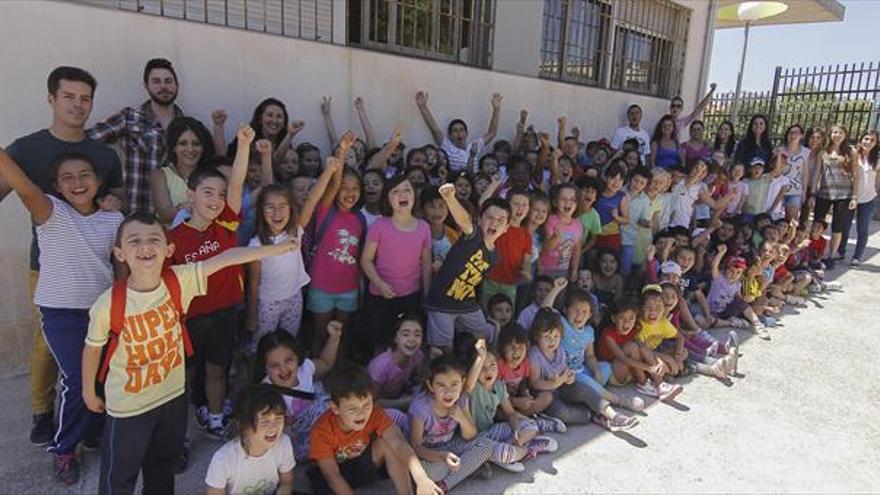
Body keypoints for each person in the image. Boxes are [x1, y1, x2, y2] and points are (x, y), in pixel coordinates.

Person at [81, 213, 299, 495]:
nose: (145, 246)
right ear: (120, 253)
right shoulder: (108, 304)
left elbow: (228, 257)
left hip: (172, 398)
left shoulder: (179, 280)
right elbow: (93, 347)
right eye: (134, 241)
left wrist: (275, 249)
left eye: (154, 239)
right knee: (118, 480)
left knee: (162, 472)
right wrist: (88, 390)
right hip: (128, 408)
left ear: (169, 249)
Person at [0, 66, 125, 448]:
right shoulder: (26, 148)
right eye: (69, 96)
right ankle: (42, 412)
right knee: (48, 346)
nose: (77, 105)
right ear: (52, 99)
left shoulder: (103, 154)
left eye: (84, 98)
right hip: (49, 264)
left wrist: (113, 201)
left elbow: (115, 199)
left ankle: (87, 419)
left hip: (96, 269)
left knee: (93, 352)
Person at [168, 125, 254, 438]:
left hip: (225, 313)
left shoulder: (226, 226)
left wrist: (244, 146)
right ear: (190, 196)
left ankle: (216, 418)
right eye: (207, 192)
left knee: (217, 370)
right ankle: (178, 437)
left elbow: (237, 183)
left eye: (220, 194)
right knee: (186, 376)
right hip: (189, 320)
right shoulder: (172, 239)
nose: (216, 199)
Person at [309, 366, 442, 495]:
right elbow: (332, 476)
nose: (361, 413)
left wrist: (422, 479)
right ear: (335, 408)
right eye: (352, 408)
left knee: (388, 444)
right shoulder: (321, 431)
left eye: (366, 405)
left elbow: (397, 442)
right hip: (332, 477)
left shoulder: (375, 414)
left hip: (360, 465)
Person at [89, 58, 184, 213]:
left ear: (176, 85)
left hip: (173, 220)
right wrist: (101, 191)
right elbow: (88, 142)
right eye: (156, 81)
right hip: (134, 214)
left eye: (168, 81)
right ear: (146, 86)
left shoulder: (187, 126)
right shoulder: (129, 118)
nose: (163, 86)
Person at [423, 184, 510, 353]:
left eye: (500, 221)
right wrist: (449, 198)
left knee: (486, 335)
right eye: (490, 217)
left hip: (467, 304)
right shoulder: (473, 236)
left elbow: (477, 282)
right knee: (442, 348)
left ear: (506, 228)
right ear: (479, 220)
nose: (494, 223)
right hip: (441, 303)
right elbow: (463, 220)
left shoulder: (495, 256)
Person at [299, 134, 362, 354]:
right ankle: (317, 376)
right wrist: (342, 151)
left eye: (355, 188)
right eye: (345, 187)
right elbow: (334, 183)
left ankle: (336, 377)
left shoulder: (360, 219)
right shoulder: (325, 210)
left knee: (340, 336)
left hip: (349, 289)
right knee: (320, 334)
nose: (350, 193)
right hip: (321, 288)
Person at [361, 176, 432, 358]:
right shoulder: (379, 225)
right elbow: (366, 260)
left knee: (408, 343)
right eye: (395, 191)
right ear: (388, 199)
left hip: (411, 296)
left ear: (414, 195)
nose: (402, 194)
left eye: (407, 190)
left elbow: (426, 264)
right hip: (380, 295)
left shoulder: (424, 227)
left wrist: (427, 293)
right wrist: (380, 284)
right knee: (380, 343)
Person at [253, 327, 341, 462]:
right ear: (264, 368)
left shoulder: (304, 368)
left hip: (321, 420)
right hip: (297, 434)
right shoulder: (266, 394)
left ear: (297, 356)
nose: (283, 369)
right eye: (274, 365)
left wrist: (334, 338)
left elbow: (325, 363)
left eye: (289, 360)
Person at [409, 355, 494, 493]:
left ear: (463, 382)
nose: (449, 392)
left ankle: (445, 484)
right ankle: (466, 469)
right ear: (430, 385)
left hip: (450, 446)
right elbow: (415, 447)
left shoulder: (461, 400)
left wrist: (461, 417)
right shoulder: (421, 408)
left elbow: (470, 435)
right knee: (437, 471)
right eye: (441, 385)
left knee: (486, 446)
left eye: (455, 384)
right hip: (429, 454)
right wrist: (442, 457)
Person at [244, 185, 310, 353]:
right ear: (260, 210)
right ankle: (257, 376)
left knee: (289, 342)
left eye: (282, 206)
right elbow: (253, 284)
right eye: (270, 207)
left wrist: (331, 169)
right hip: (268, 304)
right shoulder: (256, 244)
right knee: (261, 347)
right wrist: (251, 316)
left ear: (291, 209)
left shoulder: (295, 231)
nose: (277, 212)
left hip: (294, 299)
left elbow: (312, 200)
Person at [205, 385, 295, 495]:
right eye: (264, 422)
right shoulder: (223, 460)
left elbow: (286, 482)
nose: (273, 427)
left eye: (278, 419)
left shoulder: (284, 444)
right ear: (243, 425)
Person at [415, 90, 503, 173]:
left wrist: (496, 109)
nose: (459, 133)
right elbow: (434, 129)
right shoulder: (447, 147)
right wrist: (423, 107)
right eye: (455, 131)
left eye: (462, 130)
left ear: (467, 133)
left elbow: (492, 133)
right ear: (450, 135)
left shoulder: (474, 145)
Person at [148, 116, 215, 225]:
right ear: (174, 147)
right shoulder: (160, 175)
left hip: (206, 240)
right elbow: (165, 215)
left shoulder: (211, 176)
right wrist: (186, 206)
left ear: (203, 148)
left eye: (196, 144)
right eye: (183, 143)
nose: (190, 149)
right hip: (172, 239)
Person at [812, 124, 860, 269]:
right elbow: (817, 174)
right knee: (817, 224)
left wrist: (855, 197)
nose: (837, 135)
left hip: (843, 195)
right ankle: (813, 253)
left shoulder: (851, 152)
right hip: (824, 193)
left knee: (837, 227)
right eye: (834, 132)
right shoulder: (823, 152)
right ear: (830, 134)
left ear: (845, 135)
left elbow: (856, 176)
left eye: (840, 133)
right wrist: (813, 193)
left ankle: (831, 255)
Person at [367, 312, 426, 410]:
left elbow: (416, 379)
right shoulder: (381, 365)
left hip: (401, 395)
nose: (412, 339)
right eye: (405, 334)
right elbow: (372, 401)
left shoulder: (418, 355)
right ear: (396, 338)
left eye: (417, 335)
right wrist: (404, 403)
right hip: (381, 405)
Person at [845, 130, 879, 266]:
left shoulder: (877, 159)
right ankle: (841, 251)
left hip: (868, 198)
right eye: (866, 139)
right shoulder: (854, 155)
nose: (868, 142)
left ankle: (857, 256)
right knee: (845, 226)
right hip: (850, 196)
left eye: (872, 140)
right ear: (861, 140)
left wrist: (875, 189)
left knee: (863, 229)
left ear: (876, 144)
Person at [777, 124, 811, 222]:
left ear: (801, 135)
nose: (794, 134)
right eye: (791, 132)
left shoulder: (805, 152)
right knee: (776, 220)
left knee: (791, 221)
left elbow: (805, 173)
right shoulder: (780, 150)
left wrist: (804, 191)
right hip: (779, 188)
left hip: (795, 190)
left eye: (797, 132)